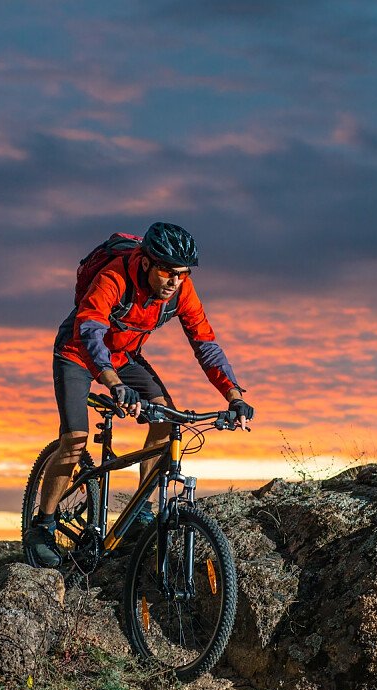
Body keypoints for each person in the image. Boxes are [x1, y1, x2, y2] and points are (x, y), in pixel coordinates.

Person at [27, 222, 253, 567]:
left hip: (124, 356)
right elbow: (89, 330)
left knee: (166, 421)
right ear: (146, 262)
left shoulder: (181, 290)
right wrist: (113, 383)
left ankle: (139, 513)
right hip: (77, 353)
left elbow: (205, 342)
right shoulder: (114, 278)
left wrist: (233, 395)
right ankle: (43, 524)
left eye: (182, 273)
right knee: (74, 440)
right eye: (167, 271)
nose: (174, 281)